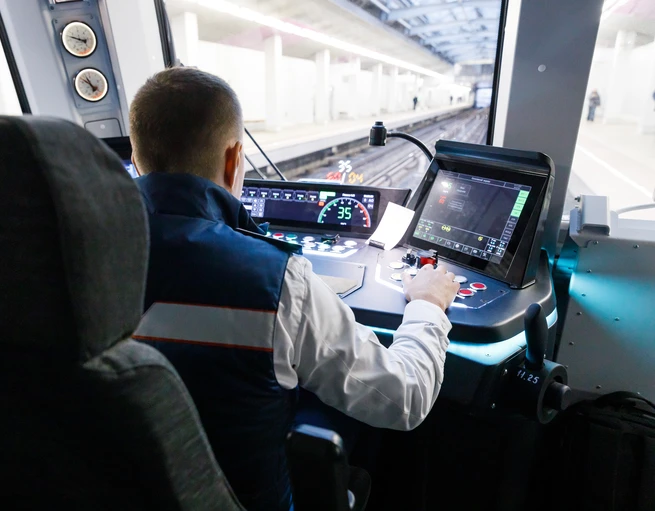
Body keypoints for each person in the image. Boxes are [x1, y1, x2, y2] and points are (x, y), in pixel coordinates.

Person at [129, 67, 459, 511]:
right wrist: (428, 305)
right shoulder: (276, 279)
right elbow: (405, 398)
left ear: (136, 160)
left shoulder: (69, 262)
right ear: (234, 160)